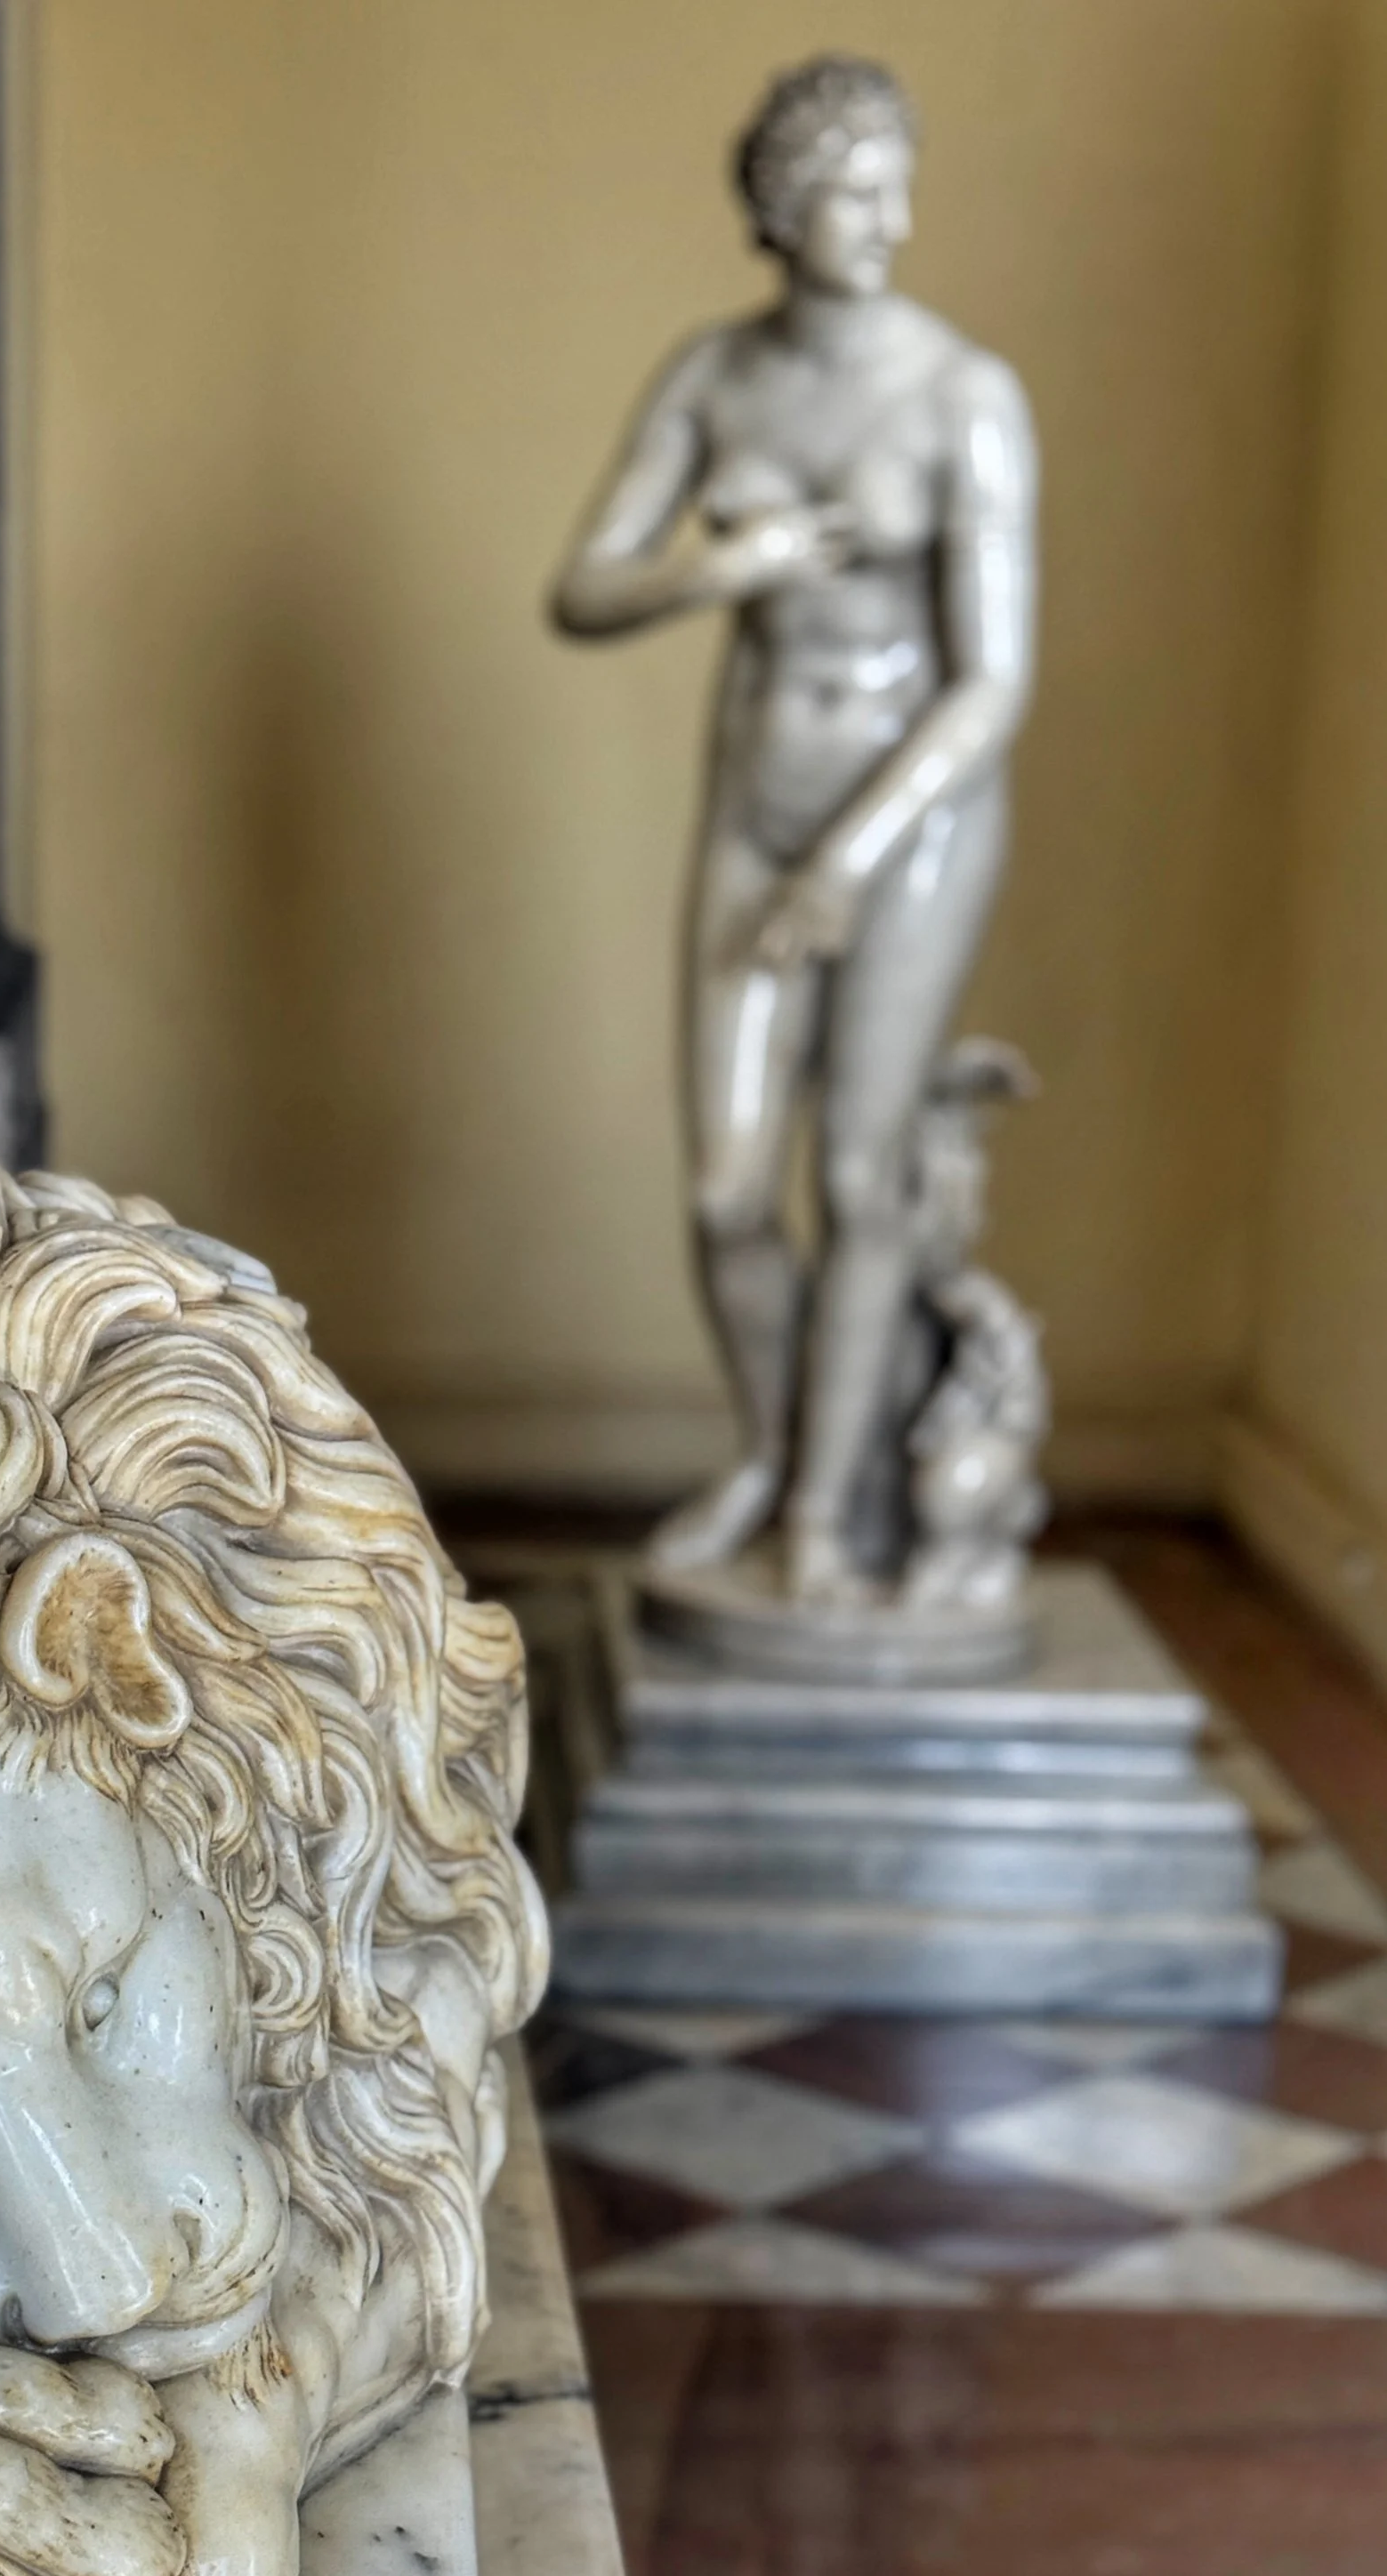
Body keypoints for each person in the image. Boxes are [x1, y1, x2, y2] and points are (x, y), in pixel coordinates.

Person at [550, 56, 1036, 1606]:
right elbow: (581, 589)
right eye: (853, 194)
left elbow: (992, 682)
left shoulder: (963, 396)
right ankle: (769, 1452)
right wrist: (715, 568)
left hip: (910, 824)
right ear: (780, 206)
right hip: (757, 805)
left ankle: (828, 1515)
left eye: (899, 188)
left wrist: (849, 861)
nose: (890, 222)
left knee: (867, 1176)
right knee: (730, 1190)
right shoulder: (717, 377)